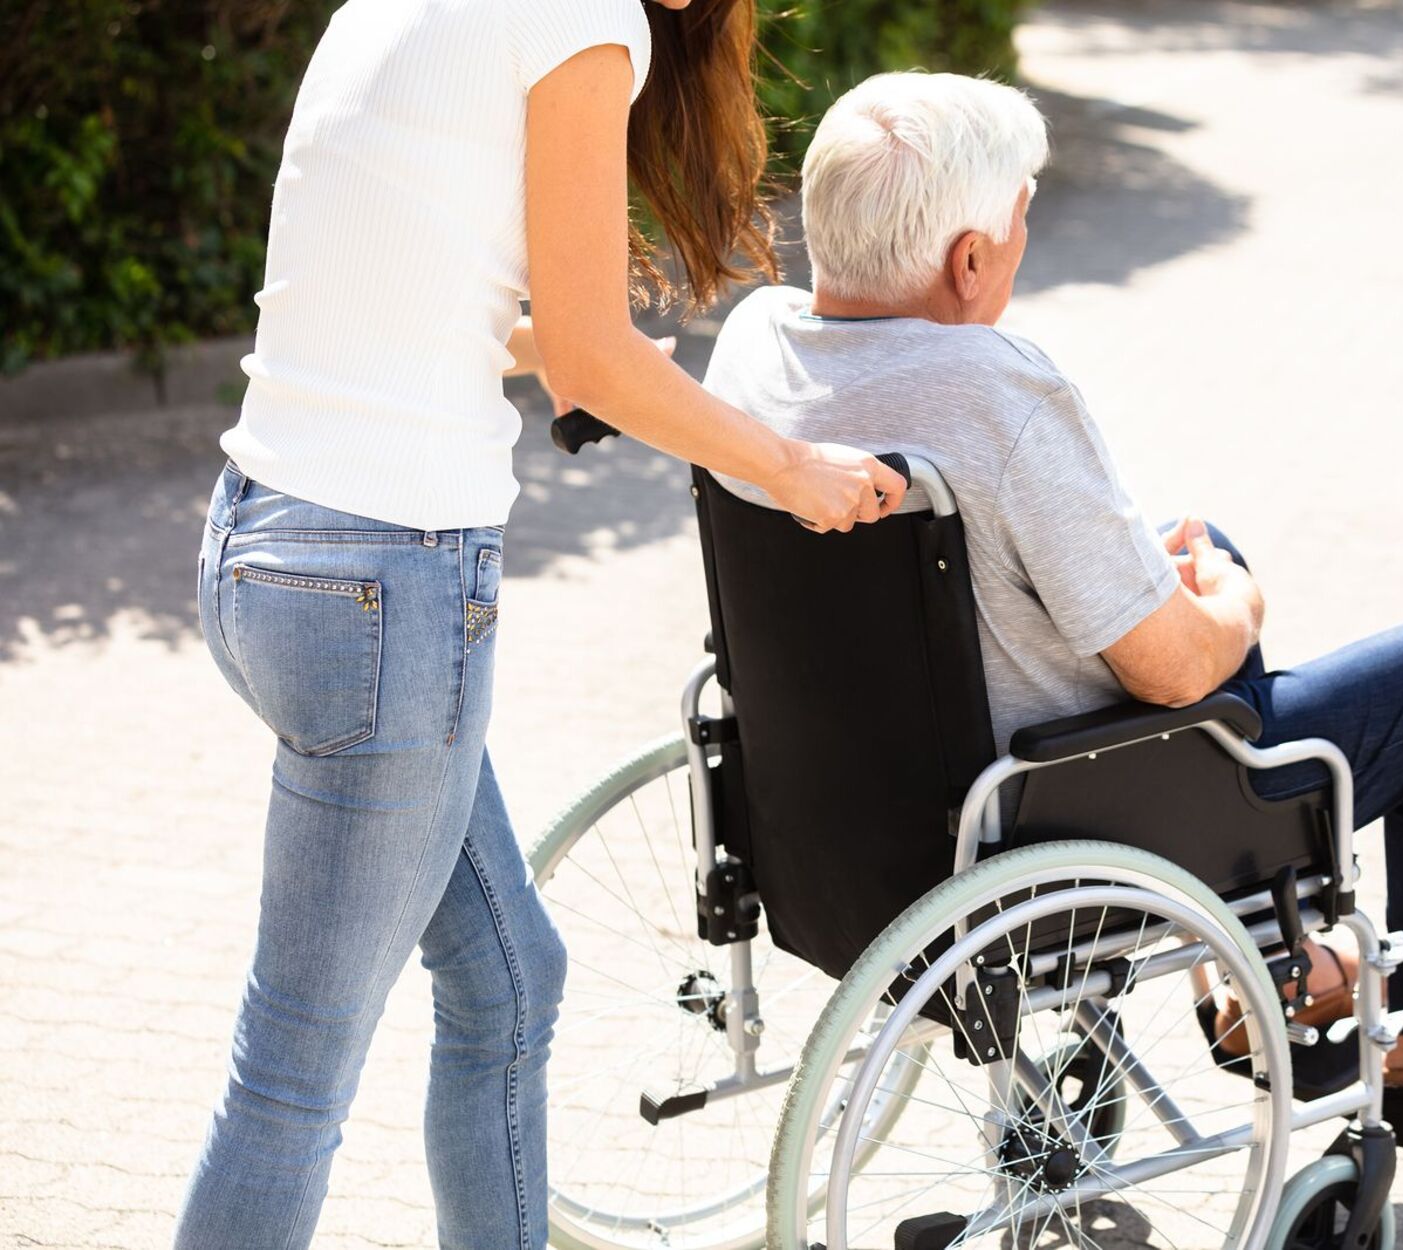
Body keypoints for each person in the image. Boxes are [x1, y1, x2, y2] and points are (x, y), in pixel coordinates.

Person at [703, 71, 1403, 1098]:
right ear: (968, 260)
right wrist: (1237, 605)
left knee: (1192, 544)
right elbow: (1175, 670)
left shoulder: (756, 344)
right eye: (1016, 225)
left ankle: (1279, 966)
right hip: (1055, 819)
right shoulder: (999, 392)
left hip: (842, 808)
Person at [178, 2, 906, 1246]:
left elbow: (389, 291)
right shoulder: (582, 19)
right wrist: (788, 467)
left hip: (264, 546)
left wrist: (559, 348)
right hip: (383, 594)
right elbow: (594, 353)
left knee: (510, 981)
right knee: (292, 1081)